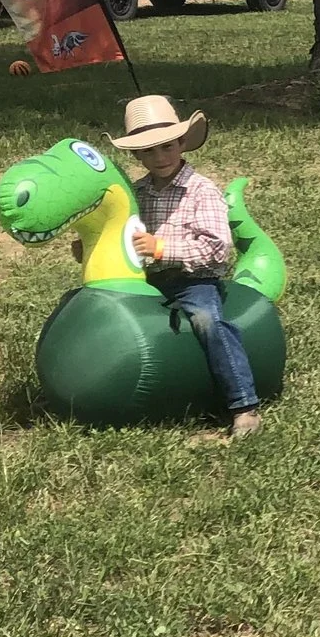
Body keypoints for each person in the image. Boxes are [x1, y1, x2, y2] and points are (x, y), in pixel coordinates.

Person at [110, 95, 262, 440]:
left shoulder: (201, 190)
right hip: (147, 279)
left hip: (194, 280)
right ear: (136, 155)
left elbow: (217, 248)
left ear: (181, 143)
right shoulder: (137, 193)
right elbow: (123, 232)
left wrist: (162, 248)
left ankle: (243, 405)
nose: (159, 157)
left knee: (208, 321)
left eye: (166, 147)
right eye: (148, 151)